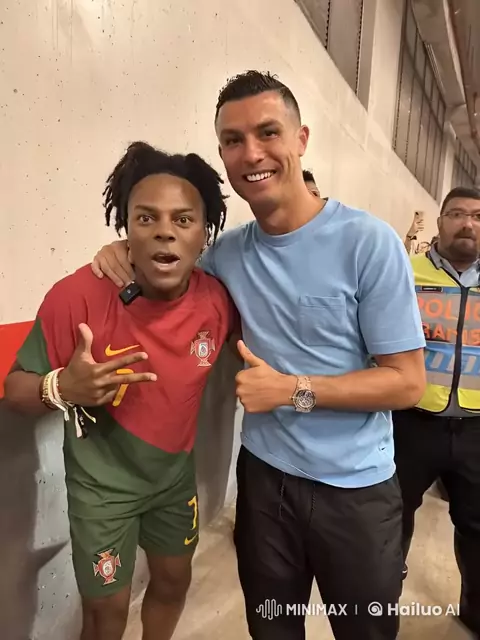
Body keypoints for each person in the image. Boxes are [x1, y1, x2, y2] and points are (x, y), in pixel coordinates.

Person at [91, 71, 426, 640]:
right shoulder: (226, 256)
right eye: (232, 140)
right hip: (266, 483)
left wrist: (294, 390)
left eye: (268, 132)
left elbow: (407, 383)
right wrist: (120, 247)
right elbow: (167, 262)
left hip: (357, 490)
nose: (251, 154)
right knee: (271, 629)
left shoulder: (368, 243)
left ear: (301, 139)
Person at [4, 142, 239, 640]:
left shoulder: (217, 301)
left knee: (173, 581)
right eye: (146, 217)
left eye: (183, 220)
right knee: (106, 613)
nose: (164, 232)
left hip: (173, 481)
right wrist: (61, 386)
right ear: (126, 228)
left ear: (204, 233)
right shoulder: (77, 296)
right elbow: (16, 389)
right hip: (101, 492)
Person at [393, 186, 480, 637]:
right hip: (411, 422)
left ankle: (476, 613)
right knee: (390, 520)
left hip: (477, 431)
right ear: (440, 221)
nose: (468, 224)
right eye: (458, 214)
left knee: (477, 529)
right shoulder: (405, 272)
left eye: (478, 216)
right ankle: (379, 609)